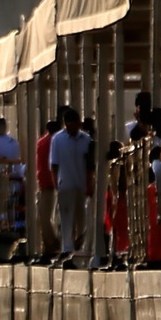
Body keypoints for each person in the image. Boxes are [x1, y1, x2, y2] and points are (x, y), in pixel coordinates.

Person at [50, 107, 94, 267]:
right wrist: (56, 184)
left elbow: (90, 166)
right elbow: (54, 164)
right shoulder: (57, 139)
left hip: (81, 184)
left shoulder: (86, 139)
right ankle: (66, 247)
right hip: (65, 184)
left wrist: (90, 184)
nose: (72, 128)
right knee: (66, 218)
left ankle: (80, 246)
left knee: (82, 217)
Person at [35, 119, 62, 260]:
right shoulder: (57, 141)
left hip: (45, 182)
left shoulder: (42, 142)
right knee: (51, 217)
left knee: (45, 217)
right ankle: (54, 245)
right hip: (55, 182)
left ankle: (50, 246)